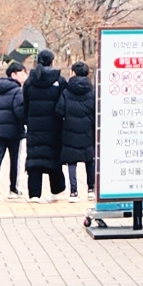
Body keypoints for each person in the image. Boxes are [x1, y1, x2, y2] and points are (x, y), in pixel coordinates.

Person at [21, 49, 65, 197]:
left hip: (34, 126)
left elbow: (25, 104)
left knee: (35, 158)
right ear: (52, 61)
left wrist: (27, 121)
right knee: (53, 156)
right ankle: (57, 190)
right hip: (54, 125)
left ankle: (34, 193)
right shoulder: (59, 80)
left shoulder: (29, 82)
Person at [59, 55, 99, 199]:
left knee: (72, 162)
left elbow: (59, 110)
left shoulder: (66, 91)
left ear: (73, 73)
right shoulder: (92, 92)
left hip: (70, 130)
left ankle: (73, 192)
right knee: (89, 159)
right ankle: (91, 189)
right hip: (88, 130)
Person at [0, 62, 25, 201]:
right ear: (13, 74)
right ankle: (13, 189)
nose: (25, 76)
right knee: (14, 159)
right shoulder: (17, 91)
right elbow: (19, 110)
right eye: (22, 73)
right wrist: (24, 123)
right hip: (13, 130)